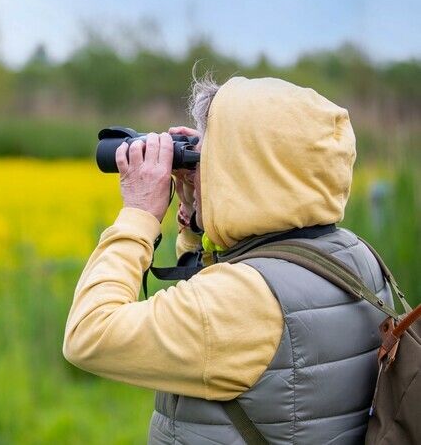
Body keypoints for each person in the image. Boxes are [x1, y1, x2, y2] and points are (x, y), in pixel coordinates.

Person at [63, 75, 392, 444]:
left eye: (210, 155)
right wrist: (195, 215)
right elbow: (230, 325)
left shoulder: (243, 299)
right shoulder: (355, 256)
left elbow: (88, 333)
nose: (200, 165)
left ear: (244, 169)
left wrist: (139, 214)